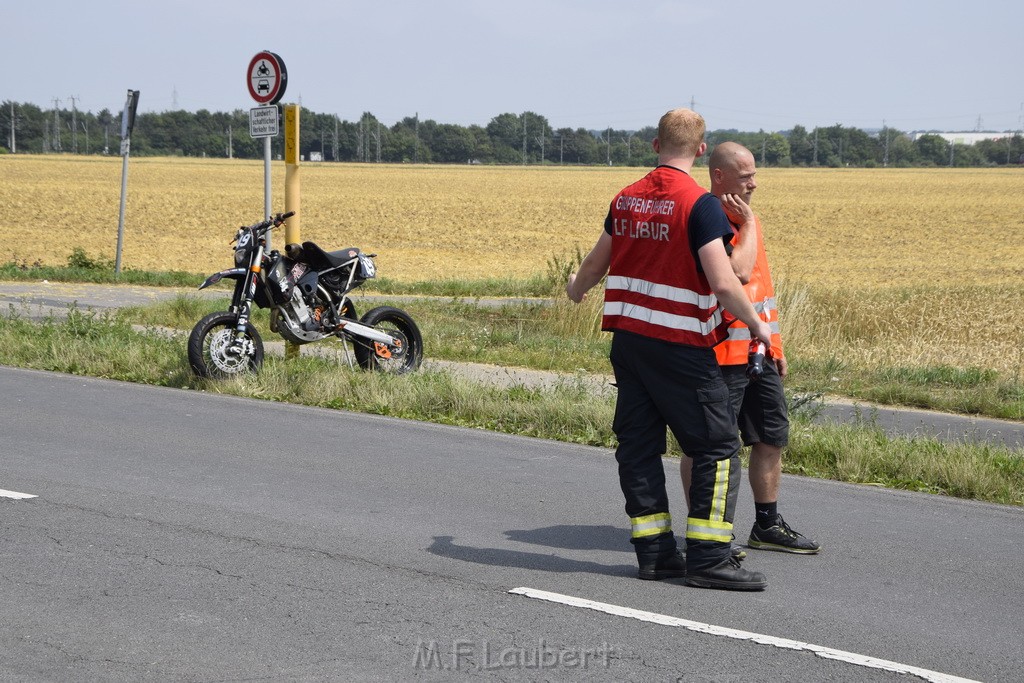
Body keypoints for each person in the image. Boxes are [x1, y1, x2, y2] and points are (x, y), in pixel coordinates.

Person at [566, 109, 774, 591]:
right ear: (701, 151)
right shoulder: (698, 205)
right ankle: (709, 559)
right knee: (718, 448)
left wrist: (576, 288)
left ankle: (655, 555)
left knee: (638, 448)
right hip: (680, 345)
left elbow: (597, 263)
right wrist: (757, 325)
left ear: (656, 145)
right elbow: (724, 282)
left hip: (630, 344)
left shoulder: (626, 198)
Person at [679, 141, 820, 554]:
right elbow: (736, 276)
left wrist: (775, 345)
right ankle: (707, 530)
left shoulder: (743, 217)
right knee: (709, 446)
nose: (754, 183)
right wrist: (751, 224)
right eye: (745, 177)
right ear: (719, 176)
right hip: (720, 358)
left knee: (770, 437)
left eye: (754, 175)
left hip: (758, 353)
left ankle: (767, 525)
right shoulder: (708, 218)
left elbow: (761, 295)